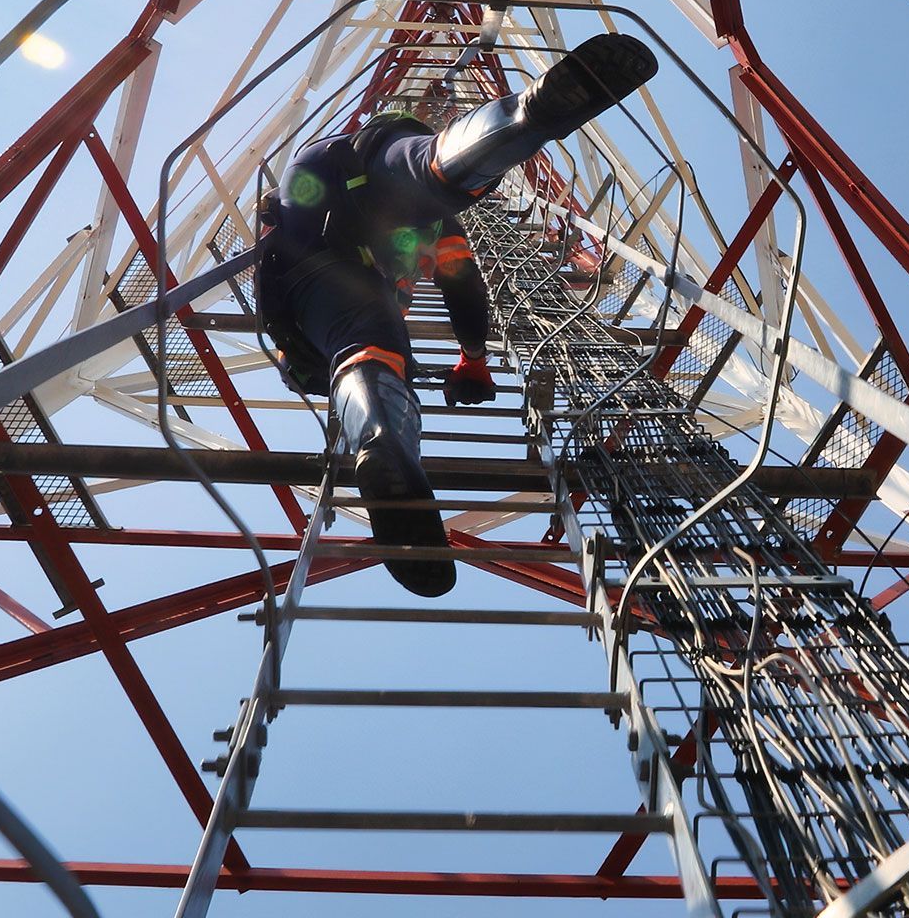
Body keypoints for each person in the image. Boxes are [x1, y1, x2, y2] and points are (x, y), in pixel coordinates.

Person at [255, 33, 658, 595]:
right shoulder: (436, 229)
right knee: (427, 177)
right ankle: (522, 117)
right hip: (368, 177)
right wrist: (473, 357)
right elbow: (463, 284)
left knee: (370, 335)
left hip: (305, 220)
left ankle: (380, 443)